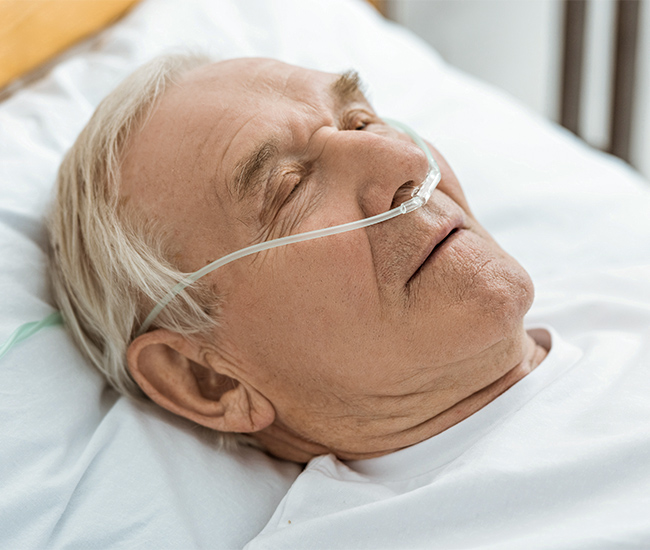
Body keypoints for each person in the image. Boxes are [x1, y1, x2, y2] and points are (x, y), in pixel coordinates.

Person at [49, 55, 650, 547]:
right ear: (208, 379)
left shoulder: (622, 294)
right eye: (289, 187)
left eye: (362, 122)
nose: (408, 163)